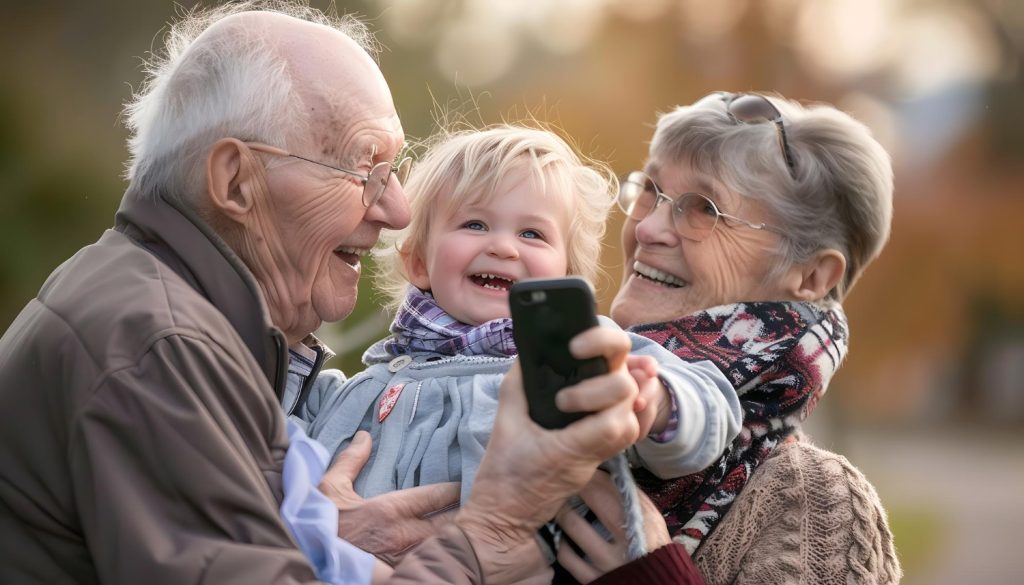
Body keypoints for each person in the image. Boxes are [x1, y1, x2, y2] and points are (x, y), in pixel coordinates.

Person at [0, 3, 652, 584]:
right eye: (364, 167)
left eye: (393, 171)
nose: (397, 210)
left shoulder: (169, 312)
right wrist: (490, 531)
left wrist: (304, 539)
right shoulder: (159, 348)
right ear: (235, 181)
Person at [289, 125, 740, 515]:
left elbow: (713, 402)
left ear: (565, 273)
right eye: (475, 225)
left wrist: (657, 402)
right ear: (420, 262)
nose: (504, 247)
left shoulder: (578, 354)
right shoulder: (367, 387)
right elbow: (268, 419)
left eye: (532, 233)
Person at [553, 92, 903, 584]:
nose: (648, 227)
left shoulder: (815, 500)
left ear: (811, 275)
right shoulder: (528, 403)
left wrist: (653, 576)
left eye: (703, 209)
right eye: (651, 189)